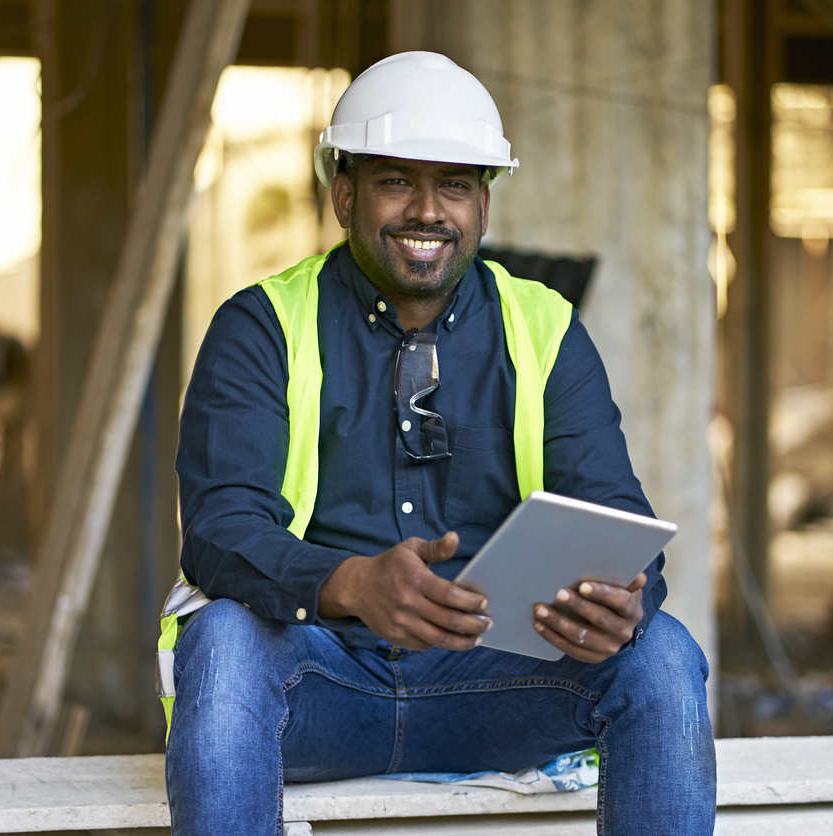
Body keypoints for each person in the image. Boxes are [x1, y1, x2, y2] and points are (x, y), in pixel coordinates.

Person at [162, 51, 716, 835]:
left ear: (483, 206)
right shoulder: (261, 326)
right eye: (396, 181)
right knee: (221, 639)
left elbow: (616, 516)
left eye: (454, 184)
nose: (427, 210)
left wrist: (623, 600)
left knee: (660, 652)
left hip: (494, 691)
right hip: (320, 689)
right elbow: (221, 532)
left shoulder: (543, 327)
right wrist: (349, 583)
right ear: (343, 195)